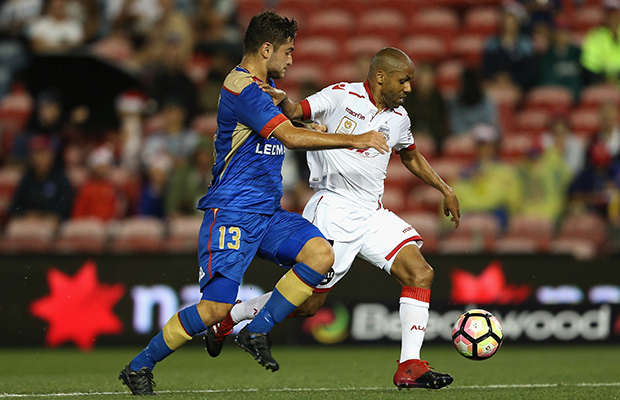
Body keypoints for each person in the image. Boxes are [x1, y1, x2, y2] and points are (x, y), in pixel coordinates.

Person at [118, 10, 388, 395]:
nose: (291, 59)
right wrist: (356, 139)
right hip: (231, 212)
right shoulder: (240, 86)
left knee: (320, 256)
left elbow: (285, 129)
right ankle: (139, 366)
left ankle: (255, 331)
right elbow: (289, 139)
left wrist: (309, 124)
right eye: (288, 51)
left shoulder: (266, 89)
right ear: (266, 49)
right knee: (213, 310)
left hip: (268, 213)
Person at [204, 47, 460, 390]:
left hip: (372, 212)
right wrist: (285, 101)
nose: (409, 88)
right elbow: (299, 111)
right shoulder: (341, 95)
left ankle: (409, 365)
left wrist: (444, 188)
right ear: (381, 76)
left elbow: (410, 156)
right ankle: (229, 318)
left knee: (420, 273)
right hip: (334, 207)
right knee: (309, 304)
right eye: (404, 80)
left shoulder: (400, 118)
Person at [580, 0, 620, 86]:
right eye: (609, 14)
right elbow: (590, 64)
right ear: (605, 16)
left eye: (615, 13)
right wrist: (606, 77)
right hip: (603, 78)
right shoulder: (595, 35)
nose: (613, 17)